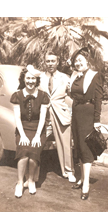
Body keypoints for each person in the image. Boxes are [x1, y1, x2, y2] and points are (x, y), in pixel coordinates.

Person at [27, 51, 76, 182]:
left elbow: (71, 96)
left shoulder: (65, 77)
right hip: (44, 116)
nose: (50, 64)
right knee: (36, 144)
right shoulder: (39, 77)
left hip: (61, 115)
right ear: (45, 62)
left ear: (57, 62)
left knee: (66, 145)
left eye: (52, 61)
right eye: (48, 61)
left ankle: (69, 172)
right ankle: (32, 176)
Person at [69, 47, 103, 200]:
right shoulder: (74, 76)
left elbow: (98, 99)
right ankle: (82, 178)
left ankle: (86, 185)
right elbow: (72, 95)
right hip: (76, 114)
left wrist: (97, 120)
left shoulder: (94, 76)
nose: (78, 63)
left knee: (86, 148)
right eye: (76, 61)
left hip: (88, 116)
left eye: (80, 60)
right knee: (78, 147)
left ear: (87, 61)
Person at [10, 67, 49, 198]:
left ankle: (31, 180)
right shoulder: (17, 95)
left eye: (33, 78)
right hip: (23, 128)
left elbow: (43, 118)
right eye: (28, 78)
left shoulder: (43, 96)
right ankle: (20, 183)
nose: (30, 81)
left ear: (37, 80)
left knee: (34, 152)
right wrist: (23, 135)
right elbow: (17, 118)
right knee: (23, 152)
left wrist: (38, 135)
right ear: (24, 79)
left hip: (38, 129)